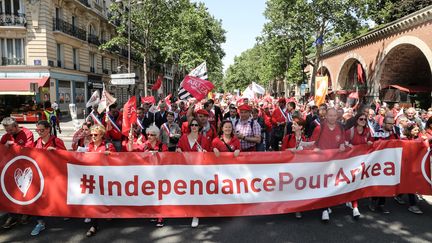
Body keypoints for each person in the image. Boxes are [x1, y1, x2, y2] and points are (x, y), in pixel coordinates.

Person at [30, 120, 66, 236]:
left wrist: (56, 151)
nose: (39, 132)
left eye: (42, 130)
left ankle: (64, 211)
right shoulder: (37, 142)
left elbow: (67, 156)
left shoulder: (56, 141)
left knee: (57, 196)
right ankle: (40, 223)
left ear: (48, 129)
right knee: (38, 199)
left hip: (55, 176)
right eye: (37, 130)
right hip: (40, 176)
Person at [310, 108, 346, 222]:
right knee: (324, 185)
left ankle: (327, 205)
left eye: (334, 115)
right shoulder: (319, 128)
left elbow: (342, 142)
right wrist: (315, 149)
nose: (332, 117)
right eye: (330, 115)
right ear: (326, 116)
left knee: (331, 184)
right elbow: (312, 143)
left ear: (337, 116)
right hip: (322, 163)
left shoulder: (340, 128)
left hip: (335, 163)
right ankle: (324, 209)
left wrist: (342, 145)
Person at [0, 117, 34, 229]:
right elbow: (1, 150)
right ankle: (12, 215)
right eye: (7, 131)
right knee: (11, 192)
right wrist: (5, 147)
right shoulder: (6, 137)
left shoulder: (27, 133)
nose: (8, 133)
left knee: (25, 190)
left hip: (24, 167)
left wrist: (13, 146)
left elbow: (28, 149)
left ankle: (26, 212)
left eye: (10, 130)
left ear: (16, 126)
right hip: (10, 168)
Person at [176, 118, 210, 228]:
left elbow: (208, 154)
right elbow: (178, 148)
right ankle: (187, 210)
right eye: (192, 125)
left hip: (198, 170)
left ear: (199, 127)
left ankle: (195, 215)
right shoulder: (183, 138)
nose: (194, 127)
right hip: (185, 169)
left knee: (196, 192)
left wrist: (205, 153)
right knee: (187, 192)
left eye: (196, 125)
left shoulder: (203, 139)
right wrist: (178, 150)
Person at [86, 125, 116, 237]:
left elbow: (117, 160)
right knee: (94, 200)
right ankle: (94, 225)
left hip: (106, 176)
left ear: (102, 135)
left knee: (106, 197)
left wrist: (110, 155)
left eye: (95, 134)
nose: (93, 137)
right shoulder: (89, 146)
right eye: (91, 134)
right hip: (92, 177)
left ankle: (110, 211)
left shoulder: (108, 146)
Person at [345, 113, 374, 220]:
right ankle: (355, 206)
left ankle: (353, 203)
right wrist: (349, 146)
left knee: (356, 184)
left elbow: (372, 142)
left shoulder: (367, 132)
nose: (363, 121)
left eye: (365, 119)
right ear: (356, 120)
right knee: (353, 183)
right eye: (361, 119)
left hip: (362, 162)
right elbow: (344, 143)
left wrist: (371, 142)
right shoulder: (350, 132)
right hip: (351, 163)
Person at [393, 123, 425, 214]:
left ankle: (399, 195)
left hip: (414, 166)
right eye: (415, 130)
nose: (417, 131)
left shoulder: (418, 139)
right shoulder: (404, 140)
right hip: (405, 166)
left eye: (418, 129)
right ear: (409, 131)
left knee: (409, 183)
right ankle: (413, 205)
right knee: (410, 184)